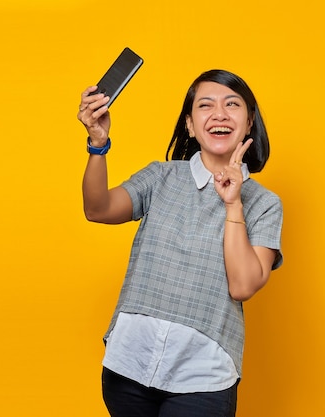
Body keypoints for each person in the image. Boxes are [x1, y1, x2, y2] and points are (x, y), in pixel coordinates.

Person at [78, 69, 283, 417]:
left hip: (202, 374)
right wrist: (98, 144)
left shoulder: (263, 203)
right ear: (190, 124)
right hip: (129, 362)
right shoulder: (161, 176)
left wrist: (233, 203)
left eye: (232, 104)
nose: (219, 113)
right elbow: (98, 209)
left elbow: (243, 284)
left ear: (249, 123)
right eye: (206, 105)